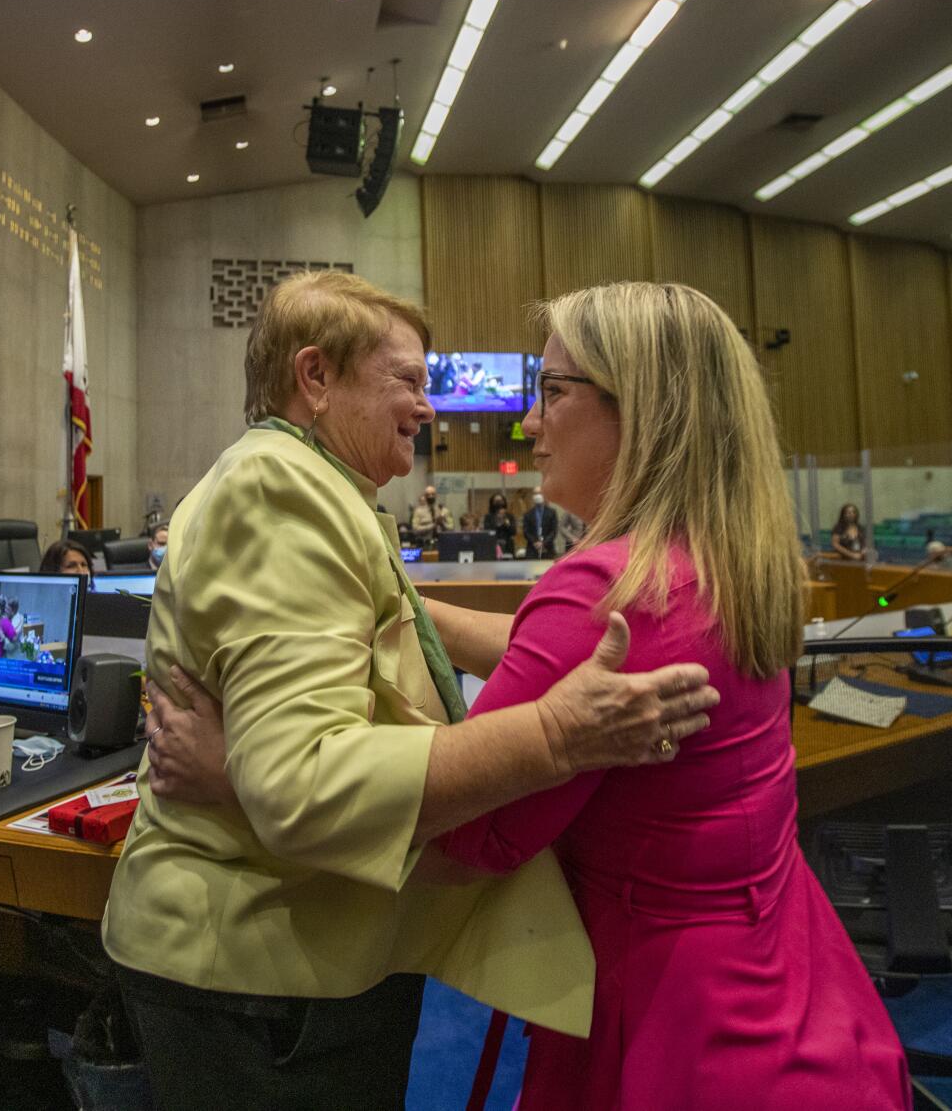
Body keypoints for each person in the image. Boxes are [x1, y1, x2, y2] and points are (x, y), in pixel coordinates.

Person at [145, 281, 909, 1109]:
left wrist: (236, 774)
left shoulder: (604, 594)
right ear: (316, 377)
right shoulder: (717, 563)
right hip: (788, 981)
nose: (528, 422)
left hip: (670, 1019)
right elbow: (545, 654)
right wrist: (393, 599)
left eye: (551, 393)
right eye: (407, 380)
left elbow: (469, 831)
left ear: (643, 408)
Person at [524, 489, 561, 558]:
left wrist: (543, 543)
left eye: (540, 493)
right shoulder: (528, 514)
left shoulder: (552, 512)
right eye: (535, 494)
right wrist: (535, 542)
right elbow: (526, 531)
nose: (538, 496)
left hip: (548, 548)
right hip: (532, 549)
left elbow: (554, 531)